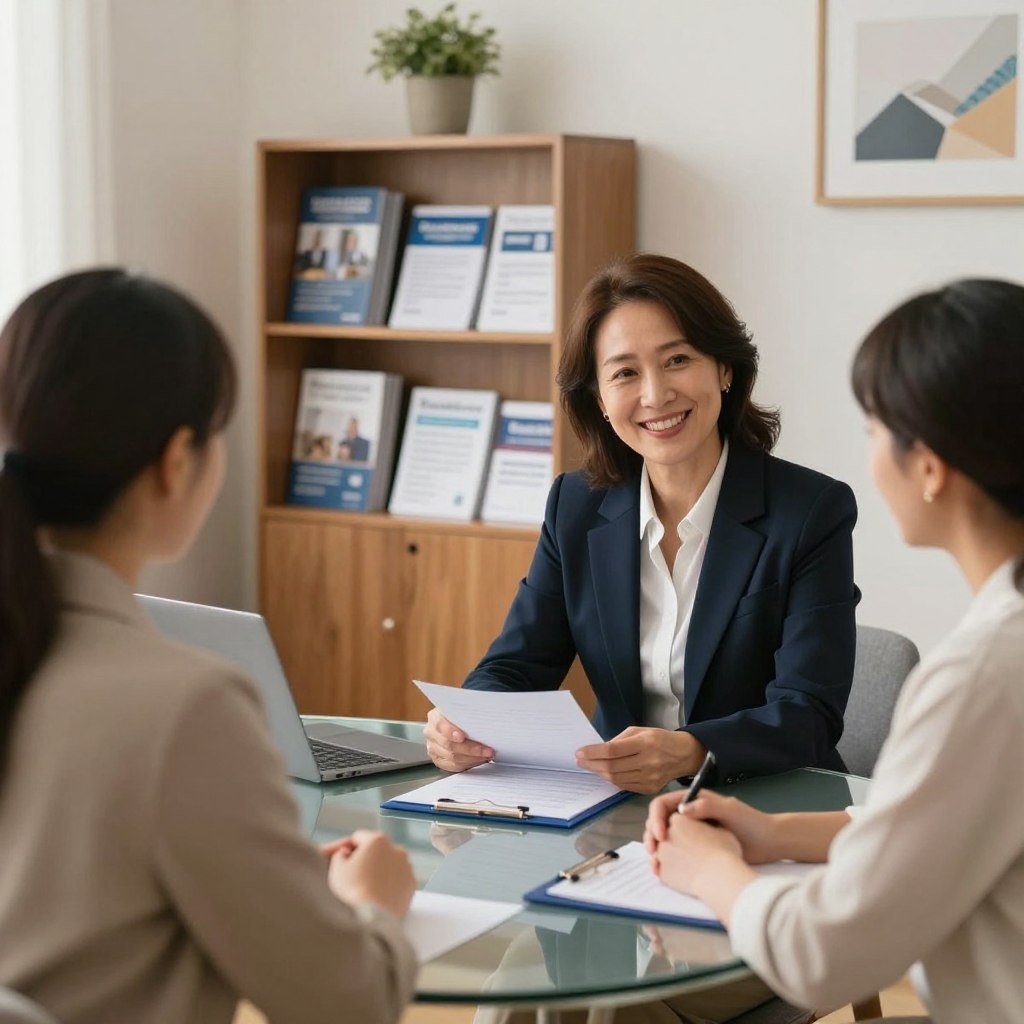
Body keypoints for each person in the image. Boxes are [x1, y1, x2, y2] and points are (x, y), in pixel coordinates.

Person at [0, 270, 418, 1024]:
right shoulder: (184, 704)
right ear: (178, 459)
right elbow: (349, 1004)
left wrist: (276, 886)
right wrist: (374, 907)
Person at [645, 279, 1024, 1023]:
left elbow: (823, 958)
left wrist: (715, 872)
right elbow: (949, 810)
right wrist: (775, 832)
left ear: (930, 466)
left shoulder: (983, 676)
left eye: (875, 425)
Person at [425, 254, 860, 793]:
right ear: (601, 400)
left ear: (725, 368)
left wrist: (692, 749)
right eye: (625, 373)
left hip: (769, 802)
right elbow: (516, 666)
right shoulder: (575, 506)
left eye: (677, 360)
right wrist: (466, 721)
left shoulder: (810, 511)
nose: (655, 395)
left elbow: (809, 712)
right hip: (618, 803)